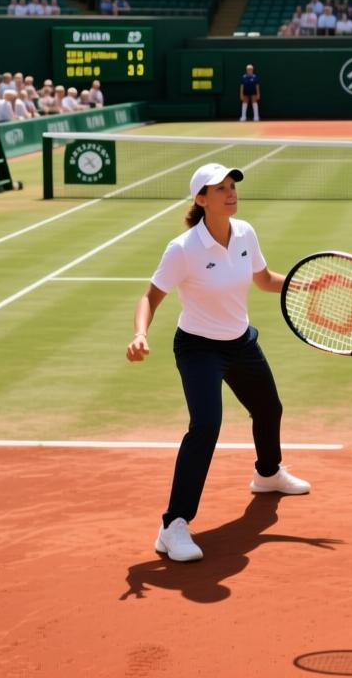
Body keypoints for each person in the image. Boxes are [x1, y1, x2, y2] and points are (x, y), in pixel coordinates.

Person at [126, 163, 310, 563]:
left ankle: (267, 474)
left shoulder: (245, 233)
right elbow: (150, 297)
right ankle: (172, 526)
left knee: (268, 408)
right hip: (197, 349)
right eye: (220, 188)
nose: (231, 193)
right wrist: (141, 334)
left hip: (240, 341)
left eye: (232, 186)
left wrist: (301, 283)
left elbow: (263, 280)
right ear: (200, 199)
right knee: (206, 426)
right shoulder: (183, 249)